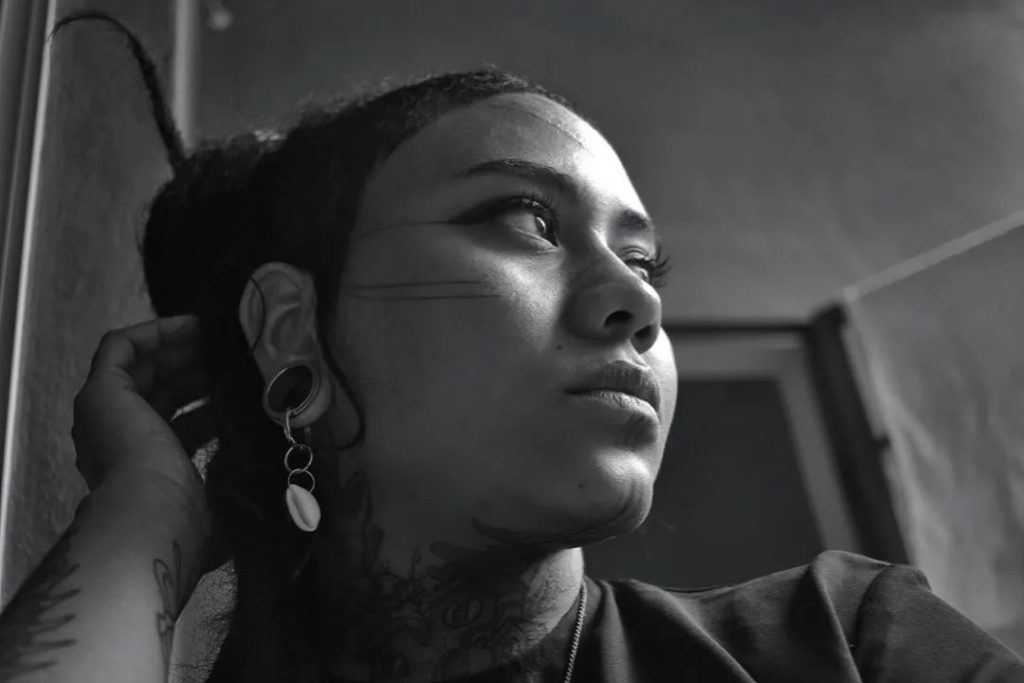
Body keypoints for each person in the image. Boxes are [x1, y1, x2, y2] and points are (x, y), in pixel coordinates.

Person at [1, 14, 1023, 683]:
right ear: (291, 328)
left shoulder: (852, 643)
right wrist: (143, 512)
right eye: (527, 219)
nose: (637, 299)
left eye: (645, 262)